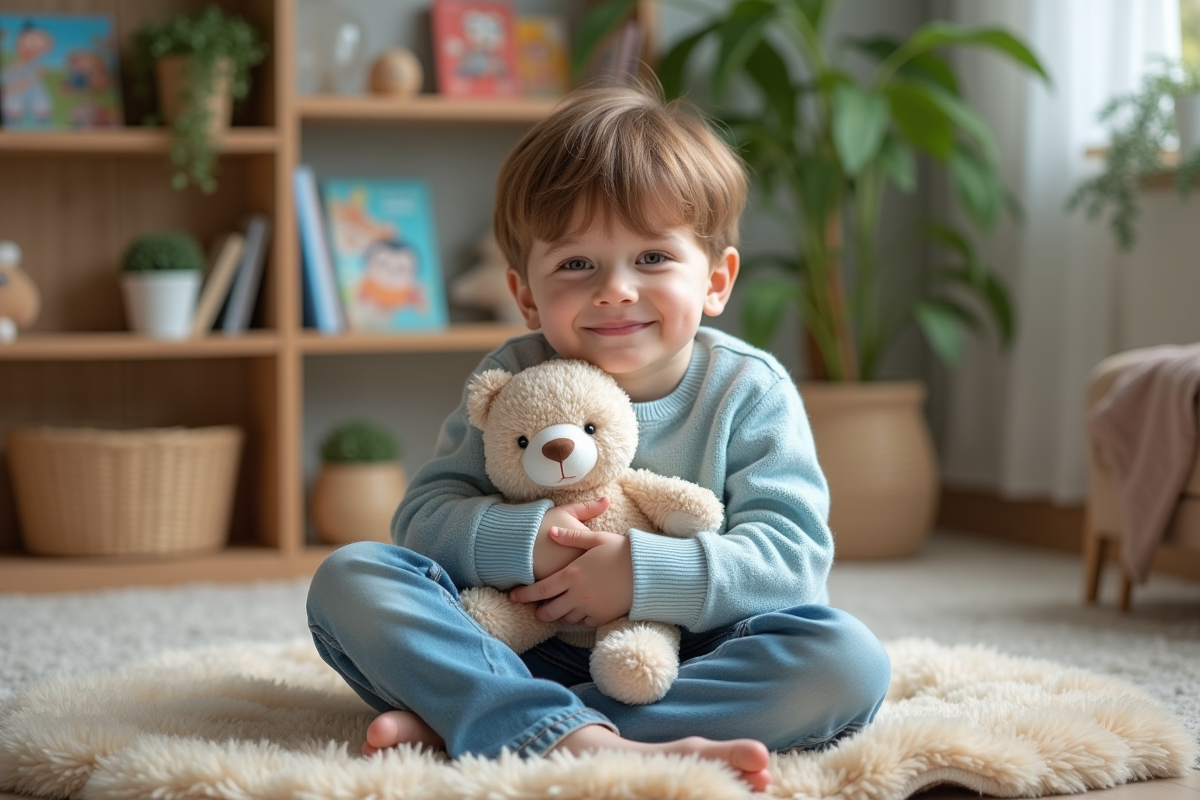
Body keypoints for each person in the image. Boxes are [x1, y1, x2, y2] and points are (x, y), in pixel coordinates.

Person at [306, 84, 891, 792]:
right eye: (576, 264)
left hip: (682, 659)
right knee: (352, 578)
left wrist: (641, 576)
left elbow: (792, 561)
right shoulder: (511, 377)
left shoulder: (749, 390)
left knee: (847, 661)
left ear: (716, 280)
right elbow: (422, 523)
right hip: (514, 648)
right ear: (526, 295)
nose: (615, 289)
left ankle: (508, 726)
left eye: (653, 258)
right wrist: (528, 542)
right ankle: (526, 715)